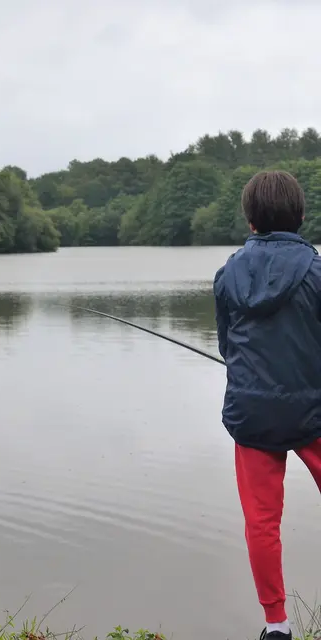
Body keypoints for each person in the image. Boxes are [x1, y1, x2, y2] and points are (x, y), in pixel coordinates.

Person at [214, 170, 321, 640]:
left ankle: (276, 625)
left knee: (261, 521)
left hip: (252, 415)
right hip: (314, 412)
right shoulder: (317, 272)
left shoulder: (228, 273)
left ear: (250, 219)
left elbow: (227, 348)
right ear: (300, 216)